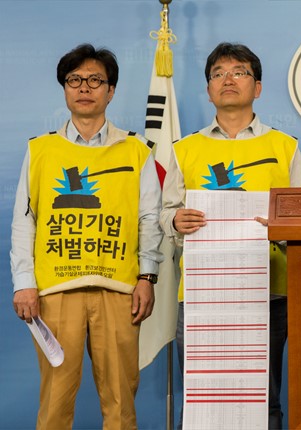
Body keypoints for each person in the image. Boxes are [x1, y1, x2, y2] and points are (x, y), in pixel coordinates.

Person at [10, 43, 163, 430]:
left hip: (119, 289)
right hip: (56, 290)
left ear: (111, 91)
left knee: (120, 401)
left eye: (95, 80)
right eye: (74, 80)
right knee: (55, 402)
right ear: (64, 88)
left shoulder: (136, 150)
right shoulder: (41, 150)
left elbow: (149, 219)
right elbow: (24, 221)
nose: (84, 87)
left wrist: (147, 277)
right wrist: (24, 283)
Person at [160, 42, 301, 429]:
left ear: (257, 87)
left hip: (268, 290)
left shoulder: (285, 147)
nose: (228, 79)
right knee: (201, 399)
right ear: (209, 89)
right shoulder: (184, 149)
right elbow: (164, 213)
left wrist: (281, 229)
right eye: (218, 74)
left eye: (239, 72)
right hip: (201, 293)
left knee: (264, 399)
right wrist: (175, 221)